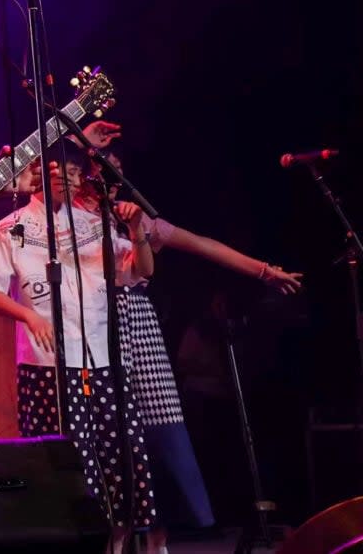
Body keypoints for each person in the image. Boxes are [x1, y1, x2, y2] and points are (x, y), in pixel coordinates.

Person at [79, 149, 302, 552]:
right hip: (89, 328)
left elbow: (204, 245)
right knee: (110, 442)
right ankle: (113, 537)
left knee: (157, 436)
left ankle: (158, 541)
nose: (108, 179)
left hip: (137, 330)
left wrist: (265, 271)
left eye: (115, 171)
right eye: (98, 170)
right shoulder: (67, 219)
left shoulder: (138, 220)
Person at [0, 140, 158, 551]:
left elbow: (141, 271)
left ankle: (116, 544)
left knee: (119, 460)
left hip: (104, 360)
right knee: (64, 466)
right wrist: (29, 315)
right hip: (47, 366)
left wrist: (137, 231)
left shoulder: (95, 225)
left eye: (76, 173)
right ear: (41, 174)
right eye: (61, 171)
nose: (69, 179)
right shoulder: (12, 227)